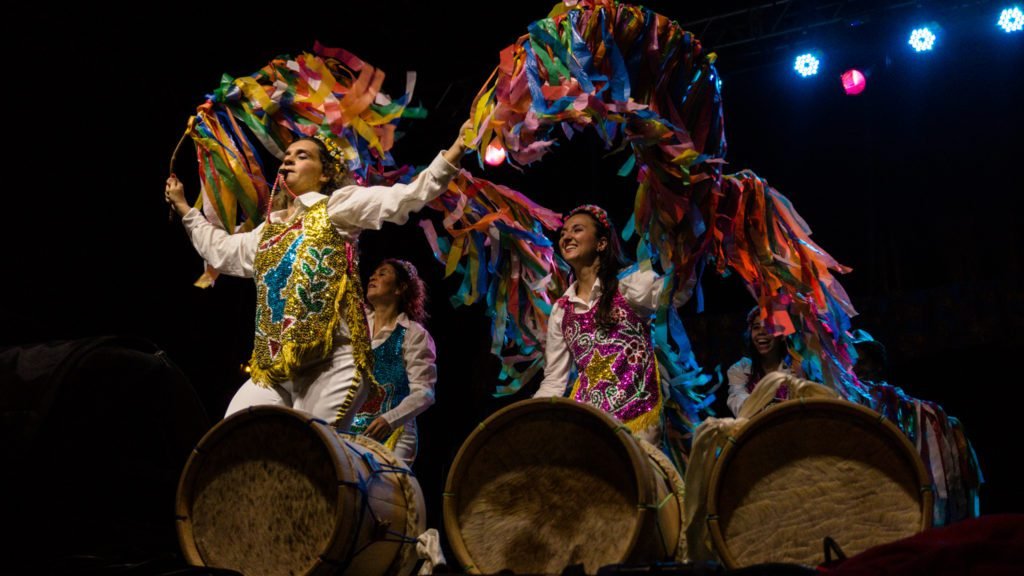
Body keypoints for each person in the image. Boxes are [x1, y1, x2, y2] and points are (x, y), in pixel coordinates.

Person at [164, 123, 469, 429]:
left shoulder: (337, 206)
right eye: (286, 155)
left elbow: (406, 197)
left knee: (312, 454)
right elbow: (221, 251)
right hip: (275, 371)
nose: (288, 160)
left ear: (325, 174)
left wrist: (456, 149)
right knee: (234, 439)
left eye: (302, 156)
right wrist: (185, 208)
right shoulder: (268, 233)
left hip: (331, 364)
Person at [533, 204, 677, 445]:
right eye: (564, 232)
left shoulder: (631, 284)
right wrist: (528, 418)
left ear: (601, 243)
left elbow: (675, 297)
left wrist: (682, 256)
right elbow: (554, 381)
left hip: (638, 417)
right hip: (590, 425)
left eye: (577, 230)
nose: (566, 236)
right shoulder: (561, 310)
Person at [349, 259, 437, 464]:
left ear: (400, 288)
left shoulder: (413, 334)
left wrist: (389, 420)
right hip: (348, 428)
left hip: (393, 435)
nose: (373, 277)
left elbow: (424, 392)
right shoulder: (355, 325)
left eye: (383, 274)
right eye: (373, 273)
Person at [725, 307, 794, 417]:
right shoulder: (741, 370)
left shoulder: (795, 370)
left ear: (782, 335)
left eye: (769, 326)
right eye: (756, 327)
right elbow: (739, 405)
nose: (761, 332)